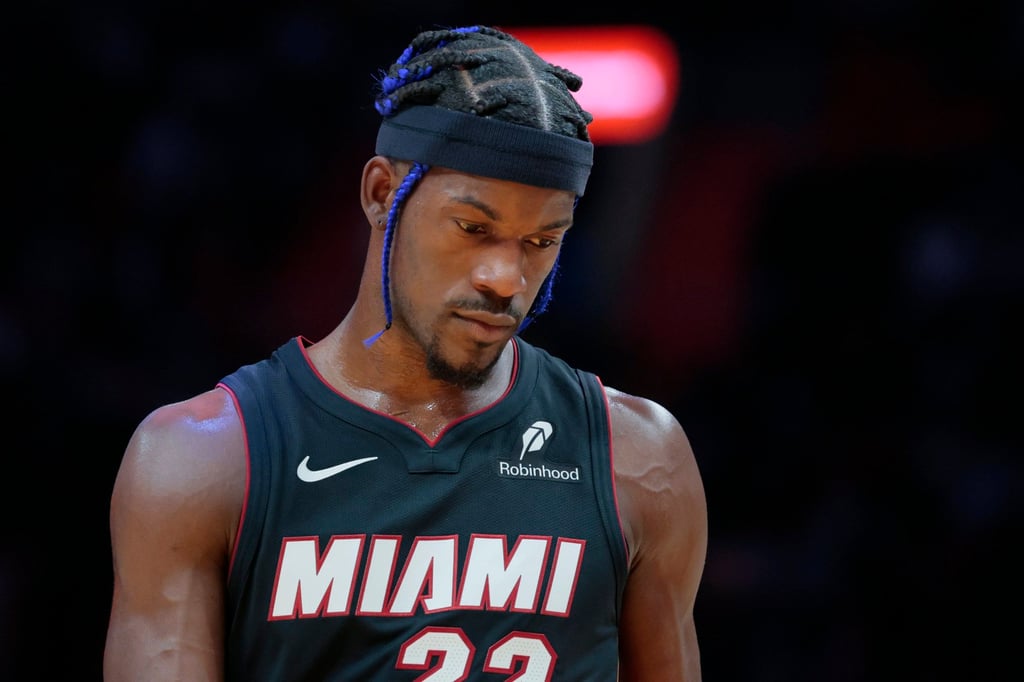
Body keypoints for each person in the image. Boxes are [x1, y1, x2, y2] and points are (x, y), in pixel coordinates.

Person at [104, 24, 708, 681]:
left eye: (541, 241)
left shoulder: (640, 458)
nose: (505, 279)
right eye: (474, 229)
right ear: (381, 194)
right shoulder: (202, 459)